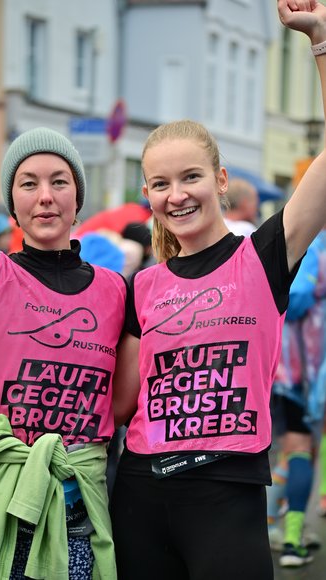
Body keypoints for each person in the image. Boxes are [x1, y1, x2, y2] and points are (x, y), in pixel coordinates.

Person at [110, 2, 326, 578]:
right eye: (161, 183)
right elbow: (115, 402)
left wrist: (321, 43)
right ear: (148, 194)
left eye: (190, 177)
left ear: (221, 180)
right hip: (139, 495)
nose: (176, 194)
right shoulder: (142, 285)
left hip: (226, 495)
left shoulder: (262, 258)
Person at [0, 127, 126, 579]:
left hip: (78, 520)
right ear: (12, 206)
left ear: (78, 198)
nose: (45, 196)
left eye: (59, 181)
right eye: (29, 183)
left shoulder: (118, 292)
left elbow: (129, 401)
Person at [267, 228, 326, 566]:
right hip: (311, 370)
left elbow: (298, 294)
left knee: (297, 447)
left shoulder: (312, 246)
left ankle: (288, 536)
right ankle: (290, 532)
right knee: (304, 446)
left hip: (300, 367)